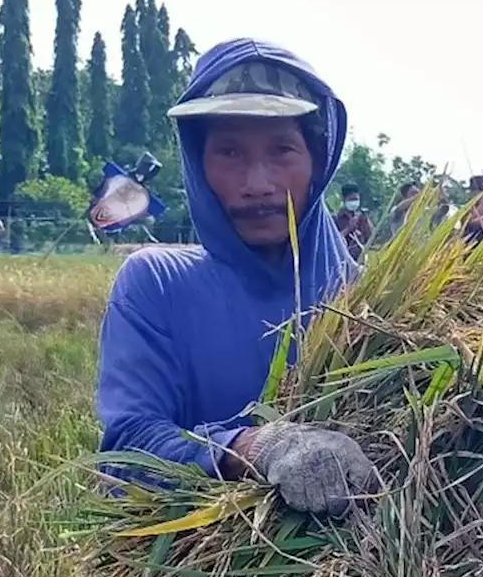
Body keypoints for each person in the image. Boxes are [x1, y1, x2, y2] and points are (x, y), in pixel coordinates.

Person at [95, 39, 379, 517]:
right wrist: (252, 448)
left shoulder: (370, 301)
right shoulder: (157, 284)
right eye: (229, 152)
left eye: (282, 151)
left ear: (318, 162)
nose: (258, 183)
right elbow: (126, 451)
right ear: (198, 164)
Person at [334, 183, 373, 261]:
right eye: (351, 199)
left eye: (356, 199)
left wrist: (366, 222)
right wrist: (349, 228)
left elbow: (371, 237)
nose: (354, 202)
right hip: (342, 260)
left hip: (360, 260)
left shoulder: (360, 217)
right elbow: (334, 240)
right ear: (344, 200)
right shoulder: (335, 218)